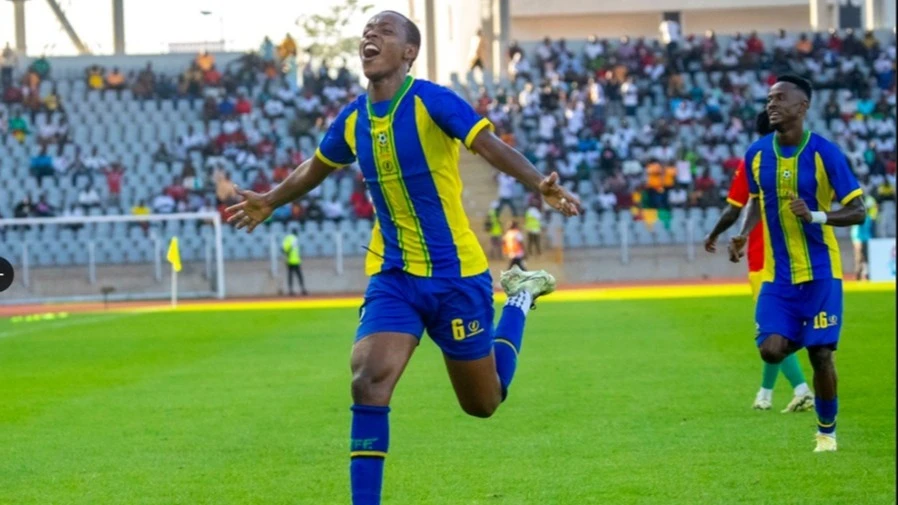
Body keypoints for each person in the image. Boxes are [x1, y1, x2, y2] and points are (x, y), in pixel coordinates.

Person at [225, 11, 580, 504]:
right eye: (367, 31)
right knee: (368, 380)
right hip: (394, 278)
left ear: (409, 52)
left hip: (457, 276)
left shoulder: (432, 102)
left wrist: (537, 182)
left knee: (484, 402)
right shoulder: (352, 119)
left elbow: (488, 145)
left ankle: (517, 300)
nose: (370, 36)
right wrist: (270, 199)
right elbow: (315, 167)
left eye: (384, 31)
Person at [728, 75, 866, 453]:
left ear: (802, 107)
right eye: (769, 99)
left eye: (780, 99)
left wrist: (818, 217)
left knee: (822, 355)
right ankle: (809, 338)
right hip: (778, 275)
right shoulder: (757, 153)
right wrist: (743, 233)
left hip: (821, 271)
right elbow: (756, 200)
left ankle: (826, 433)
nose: (771, 104)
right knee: (770, 349)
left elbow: (858, 210)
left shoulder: (825, 153)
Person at [705, 111, 813, 413]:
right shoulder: (802, 156)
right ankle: (766, 394)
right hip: (800, 254)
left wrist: (715, 235)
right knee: (781, 328)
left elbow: (734, 208)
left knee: (770, 328)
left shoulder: (756, 159)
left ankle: (802, 389)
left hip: (766, 258)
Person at [282, 228, 308, 296]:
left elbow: (284, 249)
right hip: (295, 260)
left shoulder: (288, 238)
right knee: (299, 275)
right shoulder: (294, 239)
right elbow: (289, 249)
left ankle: (291, 290)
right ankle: (303, 289)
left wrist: (286, 258)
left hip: (290, 260)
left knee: (290, 276)